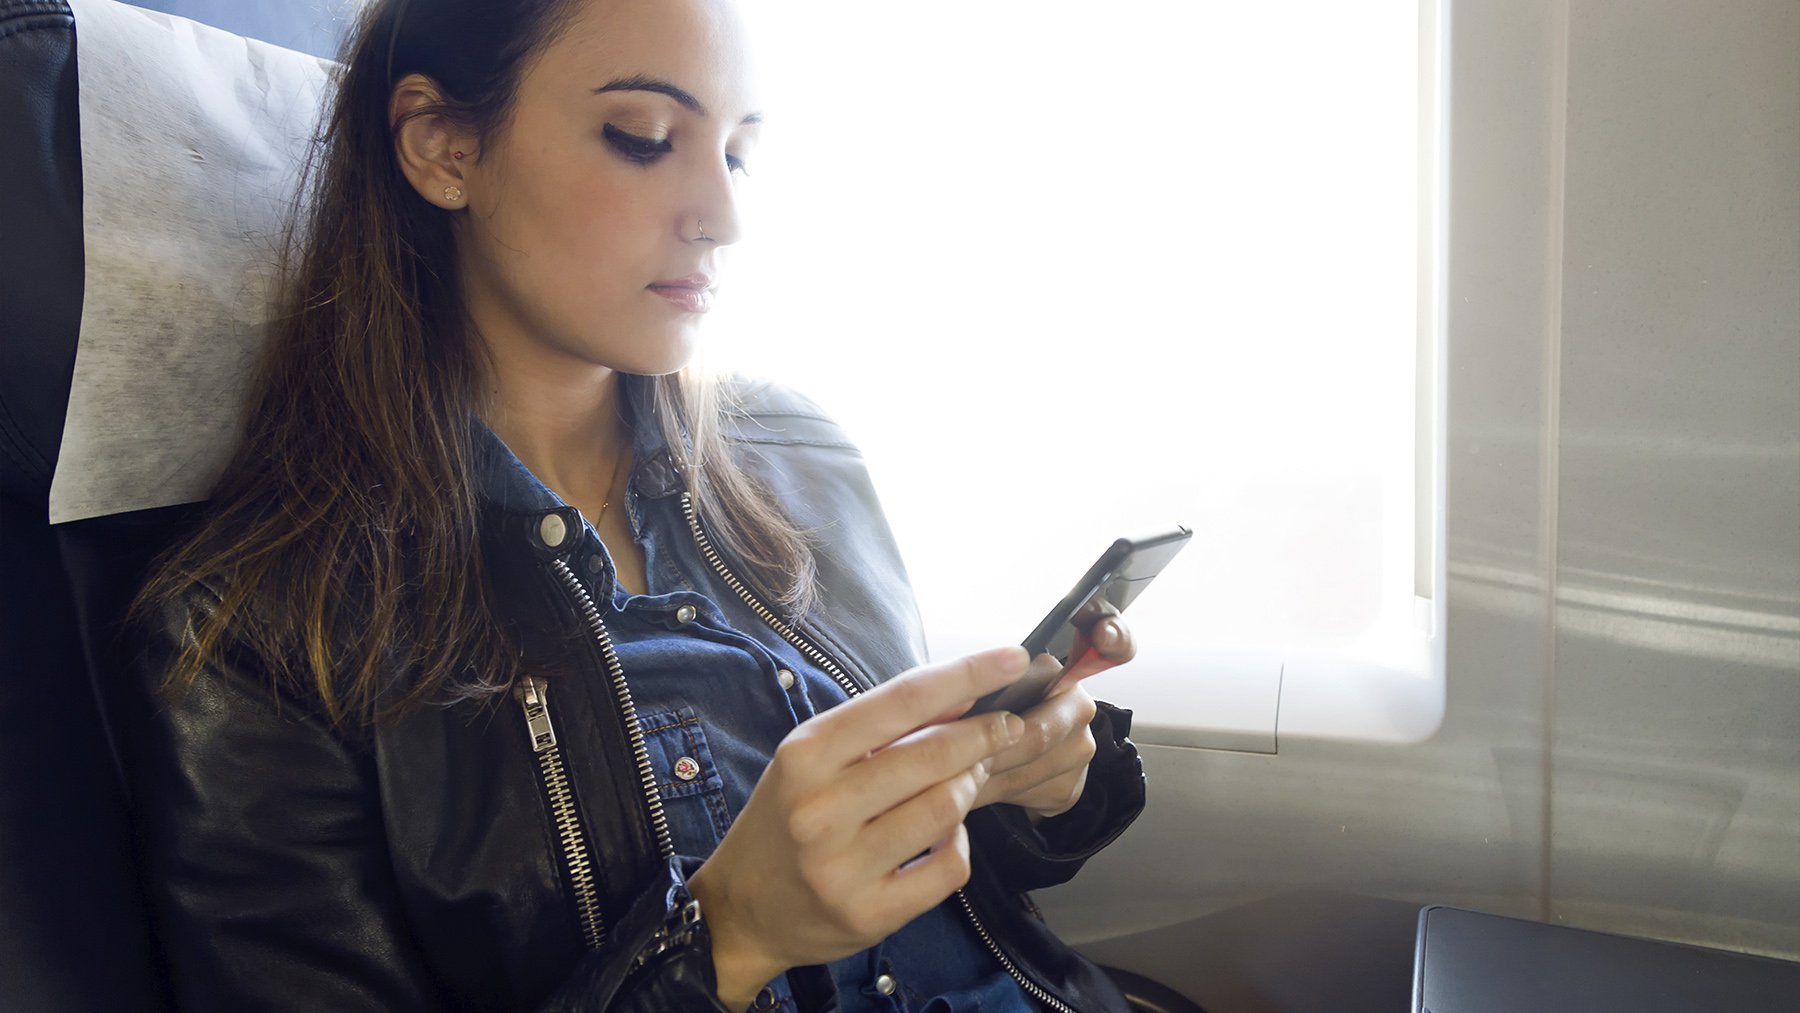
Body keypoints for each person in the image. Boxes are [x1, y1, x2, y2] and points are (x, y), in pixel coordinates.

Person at [125, 0, 1147, 1009]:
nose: (726, 215)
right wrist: (726, 941)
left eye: (738, 153)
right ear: (443, 147)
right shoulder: (254, 639)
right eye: (644, 140)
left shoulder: (798, 455)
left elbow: (965, 891)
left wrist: (1036, 781)